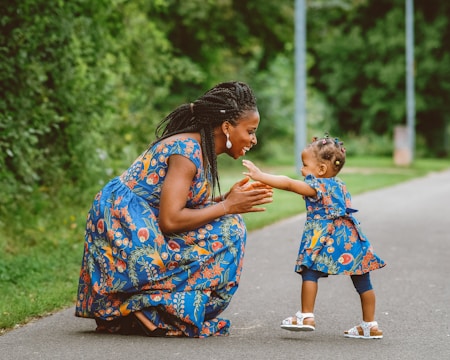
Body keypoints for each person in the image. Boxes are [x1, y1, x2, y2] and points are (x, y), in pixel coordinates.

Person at [75, 81, 273, 338]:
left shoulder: (199, 149)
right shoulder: (187, 152)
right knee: (230, 228)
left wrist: (226, 200)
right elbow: (170, 220)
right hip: (122, 225)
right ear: (226, 127)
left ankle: (148, 310)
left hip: (139, 223)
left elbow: (179, 205)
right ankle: (143, 309)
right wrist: (226, 206)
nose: (254, 140)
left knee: (230, 225)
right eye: (250, 131)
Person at [242, 134, 386, 339]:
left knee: (310, 272)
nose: (302, 170)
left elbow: (288, 184)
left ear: (321, 170)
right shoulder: (340, 185)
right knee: (363, 280)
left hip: (325, 237)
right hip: (350, 237)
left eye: (305, 165)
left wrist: (260, 175)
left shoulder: (315, 185)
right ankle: (370, 325)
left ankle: (306, 316)